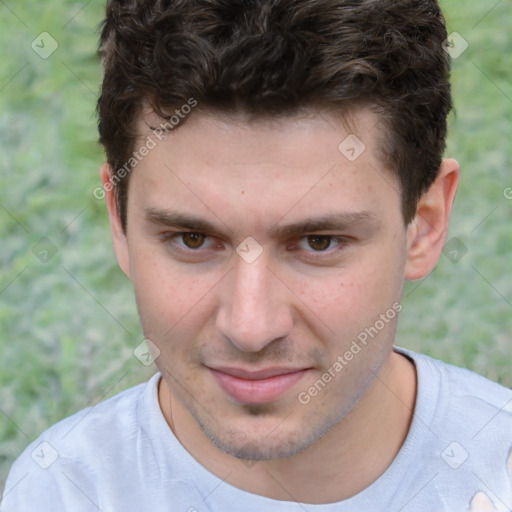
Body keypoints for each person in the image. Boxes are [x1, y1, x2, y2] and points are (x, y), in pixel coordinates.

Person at [1, 0, 511, 510]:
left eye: (318, 242)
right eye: (192, 239)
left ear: (425, 225)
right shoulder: (63, 492)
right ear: (119, 221)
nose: (250, 327)